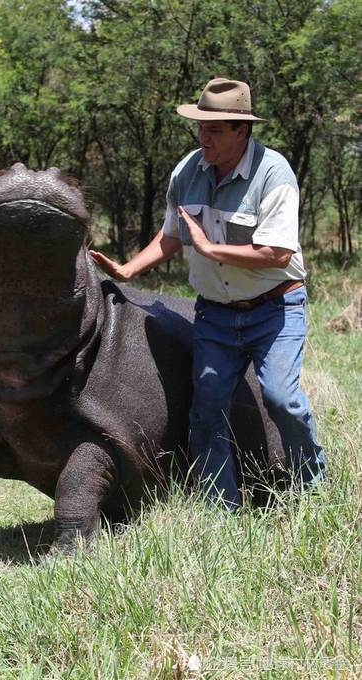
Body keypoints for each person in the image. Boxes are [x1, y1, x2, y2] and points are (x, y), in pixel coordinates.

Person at [89, 77, 325, 511]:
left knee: (282, 399)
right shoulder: (187, 170)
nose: (203, 137)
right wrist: (127, 269)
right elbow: (173, 235)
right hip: (215, 313)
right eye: (200, 127)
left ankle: (314, 491)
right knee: (207, 408)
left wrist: (211, 248)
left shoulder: (273, 174)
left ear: (242, 131)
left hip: (275, 306)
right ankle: (221, 509)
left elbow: (276, 253)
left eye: (214, 129)